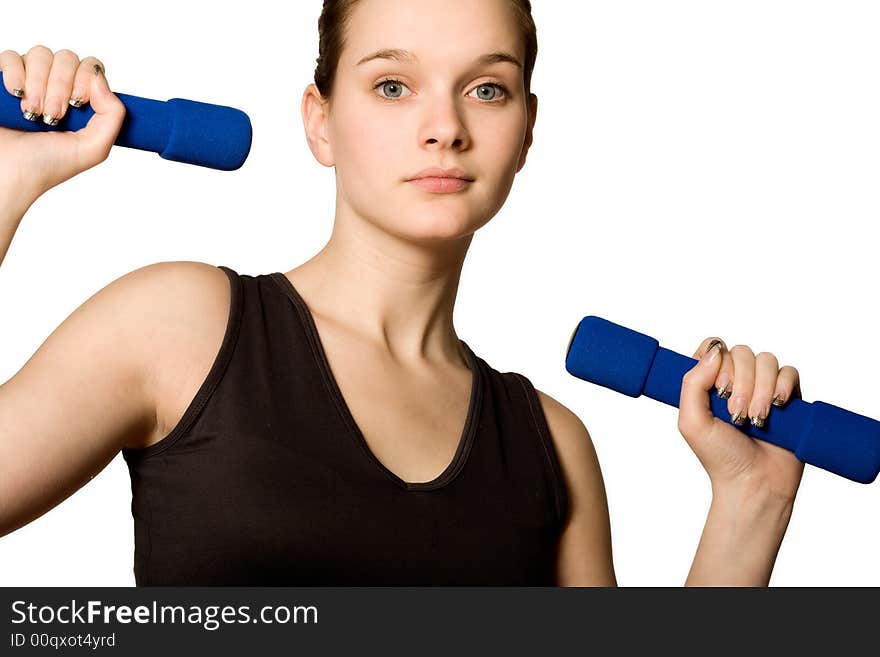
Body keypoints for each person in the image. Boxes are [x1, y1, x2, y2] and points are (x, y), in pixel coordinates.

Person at [0, 0, 804, 586]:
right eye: (393, 86)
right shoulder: (178, 327)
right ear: (320, 121)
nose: (444, 126)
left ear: (526, 129)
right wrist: (6, 182)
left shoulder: (552, 446)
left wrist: (749, 501)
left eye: (486, 89)